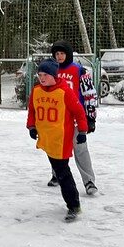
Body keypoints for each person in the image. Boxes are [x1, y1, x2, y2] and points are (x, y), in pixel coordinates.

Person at [28, 60, 89, 222]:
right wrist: (31, 127)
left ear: (54, 76)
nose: (41, 78)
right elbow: (32, 110)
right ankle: (72, 203)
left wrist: (82, 130)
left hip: (61, 139)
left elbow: (79, 112)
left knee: (62, 172)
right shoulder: (36, 91)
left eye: (45, 75)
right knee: (59, 169)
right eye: (39, 75)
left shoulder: (65, 92)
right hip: (46, 138)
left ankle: (73, 205)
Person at [51, 42, 98, 196]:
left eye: (62, 54)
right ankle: (57, 174)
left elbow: (89, 94)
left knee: (80, 149)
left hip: (76, 118)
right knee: (56, 147)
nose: (59, 57)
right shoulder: (51, 71)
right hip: (57, 119)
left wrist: (90, 117)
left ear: (68, 54)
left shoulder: (80, 71)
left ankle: (89, 181)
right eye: (57, 54)